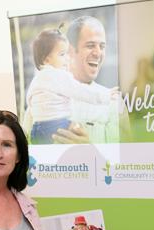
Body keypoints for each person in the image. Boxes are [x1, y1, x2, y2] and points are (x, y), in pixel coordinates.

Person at [24, 27, 116, 144]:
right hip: (56, 129)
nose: (96, 53)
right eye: (63, 54)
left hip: (37, 131)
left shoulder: (38, 79)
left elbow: (30, 99)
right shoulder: (60, 77)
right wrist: (105, 96)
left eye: (101, 46)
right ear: (47, 59)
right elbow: (80, 91)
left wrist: (88, 146)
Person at [50, 16, 125, 144]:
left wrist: (88, 150)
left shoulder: (114, 103)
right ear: (70, 50)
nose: (98, 53)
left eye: (102, 46)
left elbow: (128, 159)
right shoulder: (45, 96)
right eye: (90, 46)